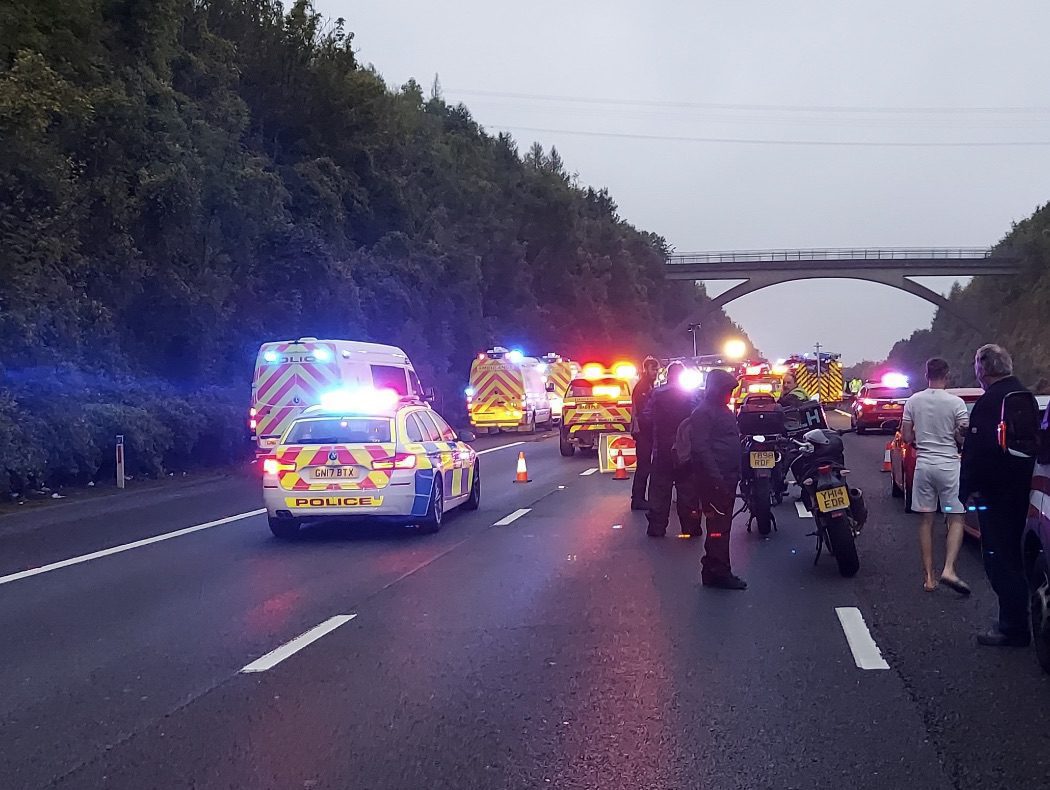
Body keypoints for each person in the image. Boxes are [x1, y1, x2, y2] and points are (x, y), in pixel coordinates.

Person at [960, 344, 1036, 647]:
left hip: (996, 494)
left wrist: (965, 490)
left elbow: (977, 452)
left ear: (982, 369)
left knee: (1000, 560)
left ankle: (1012, 627)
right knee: (1018, 557)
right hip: (1025, 489)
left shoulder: (990, 401)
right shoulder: (1024, 395)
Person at [901, 357, 970, 594]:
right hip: (949, 465)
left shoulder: (913, 401)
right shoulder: (956, 403)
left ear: (926, 375)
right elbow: (962, 436)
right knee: (956, 517)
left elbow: (907, 437)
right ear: (947, 375)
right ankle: (949, 569)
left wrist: (920, 432)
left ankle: (929, 577)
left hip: (924, 466)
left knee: (926, 520)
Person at [688, 368, 747, 590]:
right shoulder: (703, 413)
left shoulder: (722, 409)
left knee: (721, 527)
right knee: (718, 528)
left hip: (726, 476)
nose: (729, 395)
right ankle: (719, 571)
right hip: (715, 481)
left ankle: (713, 569)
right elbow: (701, 449)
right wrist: (716, 479)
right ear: (715, 390)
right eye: (726, 390)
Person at [643, 362, 700, 537]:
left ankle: (657, 527)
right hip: (685, 449)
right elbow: (698, 417)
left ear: (668, 376)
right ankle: (690, 527)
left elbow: (646, 416)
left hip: (662, 448)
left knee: (660, 490)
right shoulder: (691, 395)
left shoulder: (657, 394)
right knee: (688, 490)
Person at [630, 356, 661, 510]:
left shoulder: (648, 385)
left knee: (645, 466)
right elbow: (644, 413)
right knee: (643, 466)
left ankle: (640, 498)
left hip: (645, 432)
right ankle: (637, 499)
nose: (655, 372)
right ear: (645, 369)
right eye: (653, 369)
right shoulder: (643, 387)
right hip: (643, 432)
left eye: (657, 370)